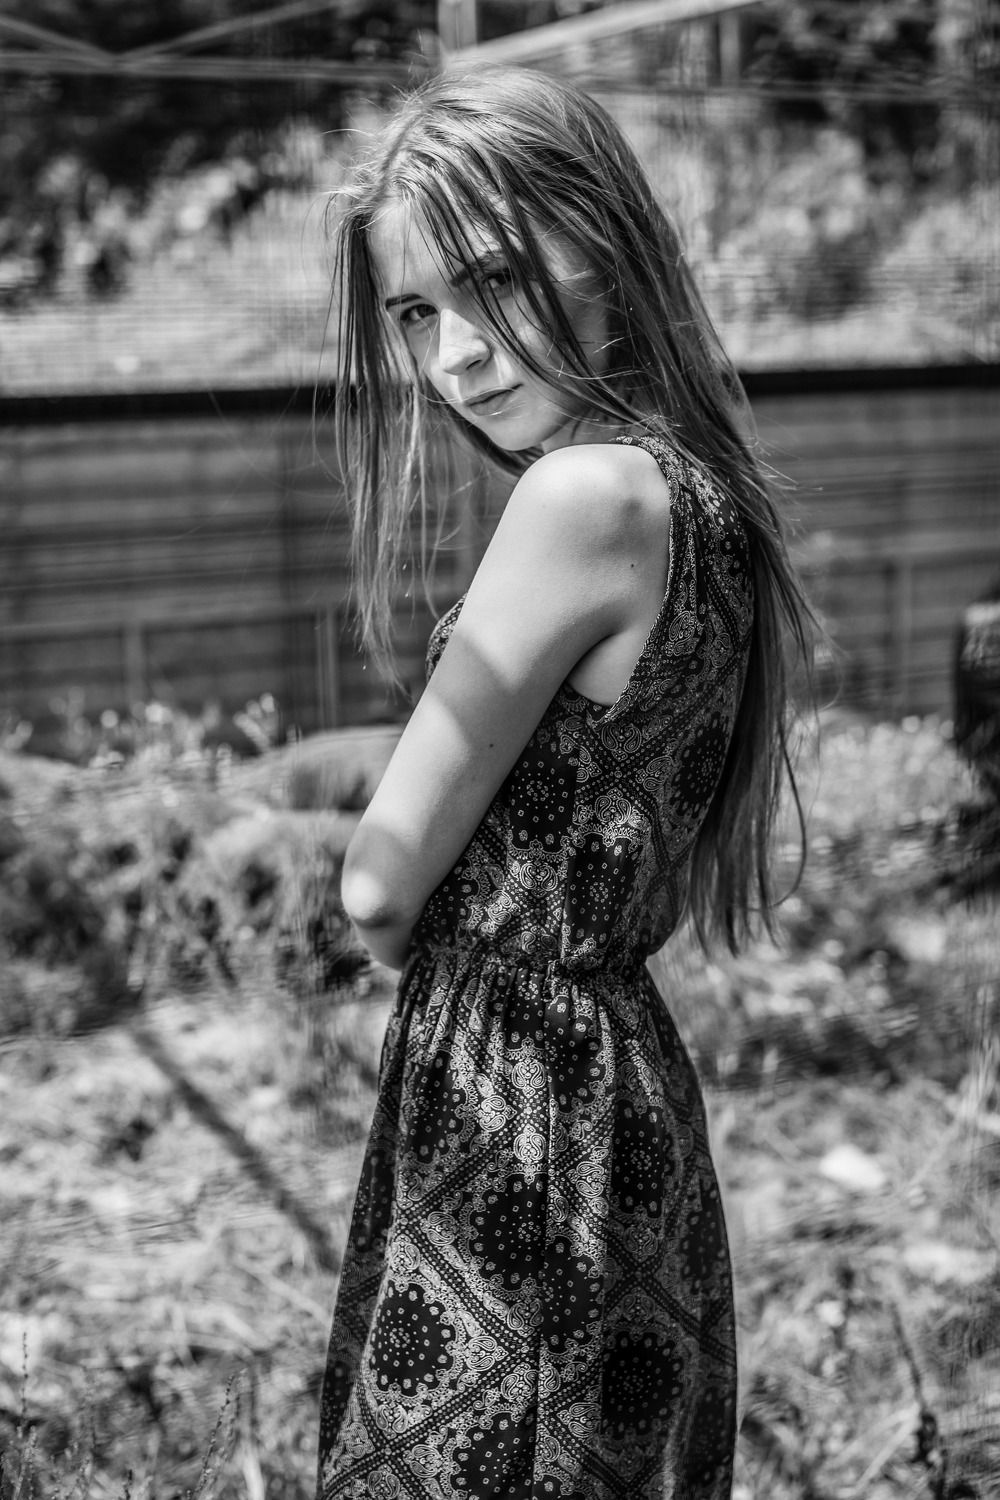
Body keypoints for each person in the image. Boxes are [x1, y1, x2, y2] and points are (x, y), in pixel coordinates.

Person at [316, 65, 812, 1500]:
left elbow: (378, 881)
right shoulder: (701, 498)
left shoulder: (581, 497)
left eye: (491, 281)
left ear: (602, 245)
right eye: (416, 313)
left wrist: (432, 926)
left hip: (516, 1097)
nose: (457, 355)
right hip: (622, 1095)